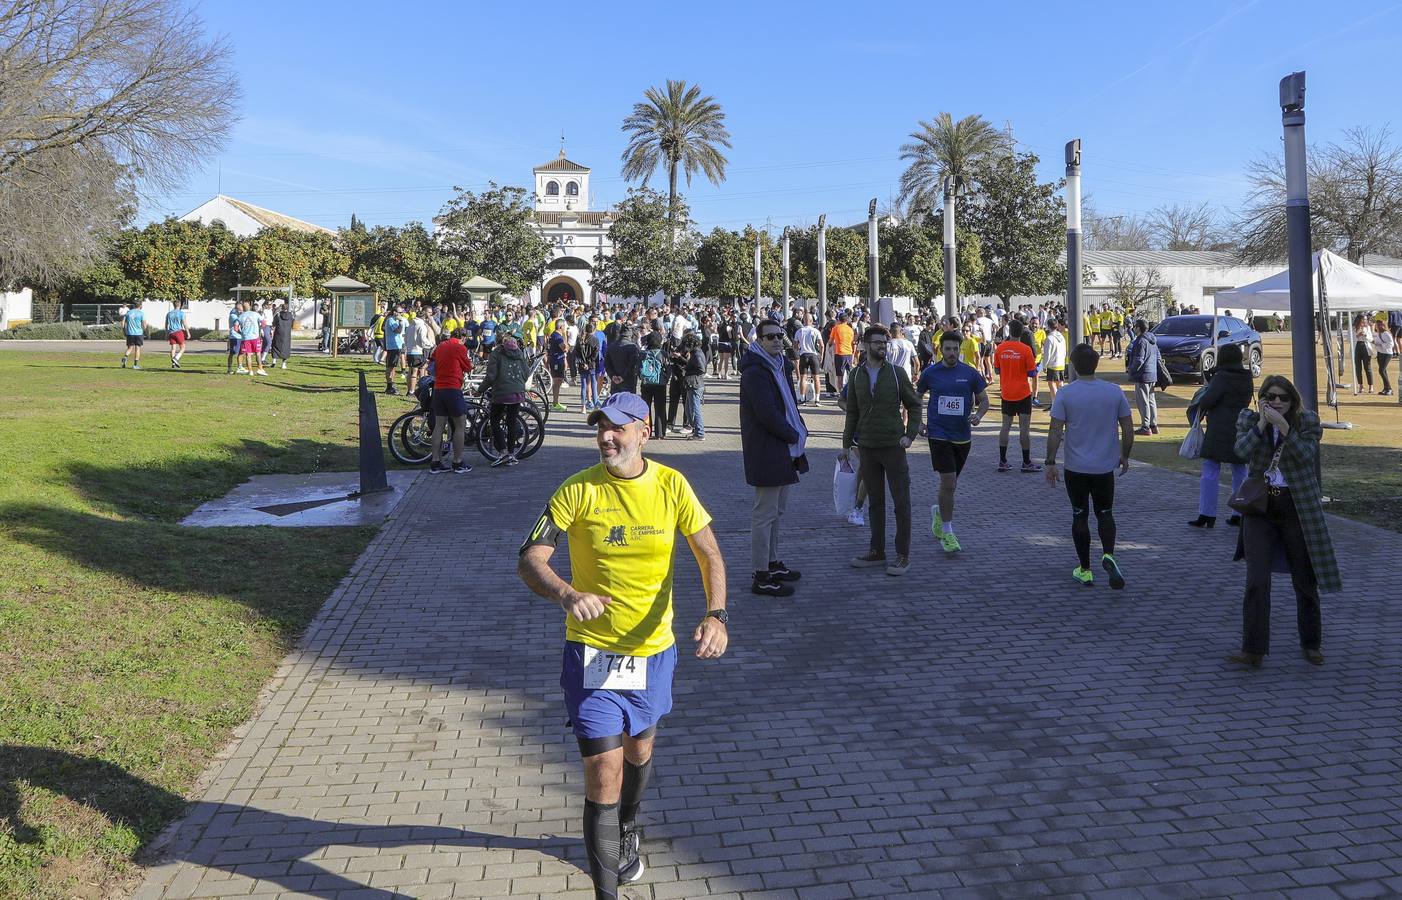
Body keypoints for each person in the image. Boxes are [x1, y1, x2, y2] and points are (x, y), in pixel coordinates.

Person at [517, 392, 728, 898]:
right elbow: (530, 558)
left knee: (639, 748)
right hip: (592, 655)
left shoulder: (673, 485)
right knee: (602, 769)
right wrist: (567, 593)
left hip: (653, 652)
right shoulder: (576, 490)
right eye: (600, 427)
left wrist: (716, 615)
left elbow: (709, 555)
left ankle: (627, 827)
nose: (606, 437)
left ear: (643, 431)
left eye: (617, 427)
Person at [1229, 375, 1341, 668]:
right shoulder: (1249, 420)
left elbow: (1305, 456)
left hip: (1296, 506)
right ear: (1261, 397)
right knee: (1256, 580)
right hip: (1260, 506)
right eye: (1270, 396)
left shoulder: (1307, 422)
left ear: (1293, 400)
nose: (1276, 401)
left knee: (1305, 579)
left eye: (1282, 397)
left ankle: (1311, 643)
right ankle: (1253, 649)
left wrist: (1284, 428)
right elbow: (1240, 452)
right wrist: (1263, 425)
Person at [1044, 344, 1134, 588]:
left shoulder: (1065, 393)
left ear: (1073, 365)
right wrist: (1125, 454)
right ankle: (1108, 554)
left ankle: (1085, 569)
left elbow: (1055, 429)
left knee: (1079, 514)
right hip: (1105, 466)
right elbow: (1127, 425)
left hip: (1076, 467)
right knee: (1105, 512)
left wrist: (1050, 461)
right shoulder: (1114, 391)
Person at [840, 324, 921, 577]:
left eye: (884, 343)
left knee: (901, 503)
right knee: (875, 502)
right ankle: (877, 551)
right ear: (865, 345)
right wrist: (845, 444)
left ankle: (902, 555)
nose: (882, 347)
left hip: (893, 446)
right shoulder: (855, 375)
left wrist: (910, 435)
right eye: (877, 343)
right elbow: (851, 411)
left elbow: (915, 405)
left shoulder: (897, 374)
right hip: (867, 446)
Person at [740, 319, 810, 597]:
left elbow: (790, 404)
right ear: (759, 340)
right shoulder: (756, 371)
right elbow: (766, 412)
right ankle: (761, 574)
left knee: (776, 512)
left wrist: (799, 429)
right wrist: (792, 434)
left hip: (783, 448)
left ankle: (772, 561)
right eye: (771, 337)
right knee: (764, 513)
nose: (778, 341)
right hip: (768, 448)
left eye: (780, 336)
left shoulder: (780, 366)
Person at [917, 331, 990, 553]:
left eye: (955, 349)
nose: (952, 353)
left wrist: (978, 415)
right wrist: (918, 422)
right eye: (948, 349)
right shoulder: (931, 373)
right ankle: (948, 533)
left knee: (950, 485)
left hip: (962, 437)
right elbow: (916, 397)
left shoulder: (970, 373)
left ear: (960, 350)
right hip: (938, 434)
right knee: (948, 482)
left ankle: (939, 512)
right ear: (940, 350)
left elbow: (984, 400)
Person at [1187, 343, 1253, 529]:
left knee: (1210, 470)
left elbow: (1208, 400)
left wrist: (1210, 382)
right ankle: (1239, 513)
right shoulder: (1246, 376)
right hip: (1241, 426)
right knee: (1240, 471)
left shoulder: (1221, 377)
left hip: (1219, 427)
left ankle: (1207, 513)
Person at [477, 325, 530, 467]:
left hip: (501, 392)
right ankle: (512, 454)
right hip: (517, 392)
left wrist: (481, 389)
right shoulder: (519, 353)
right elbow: (526, 372)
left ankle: (502, 451)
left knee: (494, 420)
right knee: (511, 423)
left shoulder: (496, 353)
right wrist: (519, 383)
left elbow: (491, 376)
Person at [993, 320, 1040, 473]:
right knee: (1024, 429)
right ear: (1022, 333)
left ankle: (1002, 460)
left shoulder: (1000, 349)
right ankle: (1026, 462)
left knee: (1005, 427)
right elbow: (1032, 373)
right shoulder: (1026, 350)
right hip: (1023, 393)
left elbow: (997, 370)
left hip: (1006, 392)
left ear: (1009, 332)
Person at [427, 328, 473, 475]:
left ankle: (435, 461)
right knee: (460, 425)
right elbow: (468, 366)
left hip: (438, 388)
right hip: (452, 388)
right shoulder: (460, 347)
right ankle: (457, 462)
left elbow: (432, 359)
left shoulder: (440, 346)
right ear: (463, 338)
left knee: (439, 426)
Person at [1125, 319, 1161, 435]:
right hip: (1152, 374)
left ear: (1138, 328)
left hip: (1142, 375)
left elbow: (1139, 360)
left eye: (1134, 326)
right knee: (1151, 400)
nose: (1133, 328)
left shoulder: (1140, 341)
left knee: (1143, 401)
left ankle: (1145, 427)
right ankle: (1153, 424)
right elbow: (1158, 357)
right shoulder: (1152, 340)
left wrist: (1131, 370)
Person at [638, 326, 668, 438]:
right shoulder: (663, 354)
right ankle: (660, 433)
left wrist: (642, 378)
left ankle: (647, 431)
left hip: (646, 383)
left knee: (646, 408)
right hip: (660, 384)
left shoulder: (643, 354)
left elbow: (638, 368)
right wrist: (666, 379)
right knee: (660, 408)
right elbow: (668, 369)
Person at [681, 331, 707, 441]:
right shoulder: (696, 353)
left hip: (695, 384)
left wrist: (688, 369)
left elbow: (701, 369)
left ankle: (700, 433)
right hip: (693, 383)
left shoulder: (697, 354)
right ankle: (696, 430)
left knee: (695, 410)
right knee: (689, 409)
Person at [795, 313, 824, 405]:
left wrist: (799, 348)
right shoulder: (816, 331)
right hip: (813, 355)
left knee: (803, 378)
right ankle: (817, 400)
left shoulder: (799, 331)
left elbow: (794, 345)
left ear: (803, 320)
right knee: (816, 378)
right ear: (811, 321)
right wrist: (821, 355)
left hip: (803, 355)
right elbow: (822, 345)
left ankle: (803, 399)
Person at [605, 326, 642, 395]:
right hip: (629, 381)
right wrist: (622, 377)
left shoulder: (611, 346)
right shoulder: (632, 347)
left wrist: (612, 375)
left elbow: (607, 364)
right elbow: (632, 365)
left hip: (615, 381)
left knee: (616, 402)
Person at [381, 305, 405, 394]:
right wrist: (401, 321)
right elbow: (398, 331)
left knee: (393, 367)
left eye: (402, 312)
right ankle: (389, 386)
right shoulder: (391, 320)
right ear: (395, 312)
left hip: (396, 345)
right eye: (400, 312)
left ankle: (391, 384)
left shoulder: (394, 320)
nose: (401, 314)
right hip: (392, 346)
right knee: (390, 367)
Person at [239, 302, 267, 376]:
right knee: (258, 353)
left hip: (245, 337)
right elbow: (264, 322)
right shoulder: (255, 314)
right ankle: (260, 369)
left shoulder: (241, 316)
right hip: (255, 336)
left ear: (243, 308)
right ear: (250, 306)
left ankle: (250, 371)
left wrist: (241, 333)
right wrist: (260, 328)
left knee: (248, 354)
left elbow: (236, 327)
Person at [1042, 318, 1067, 402]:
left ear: (1049, 326)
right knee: (1060, 383)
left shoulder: (1049, 338)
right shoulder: (1061, 336)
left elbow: (1047, 354)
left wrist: (1044, 365)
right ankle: (1063, 401)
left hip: (1052, 364)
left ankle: (1055, 402)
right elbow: (1064, 351)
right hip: (1061, 363)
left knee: (1052, 384)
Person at [829, 310, 855, 390]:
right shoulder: (851, 330)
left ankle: (840, 392)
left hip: (839, 353)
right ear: (846, 320)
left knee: (840, 375)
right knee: (849, 374)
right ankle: (850, 391)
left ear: (839, 320)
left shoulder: (836, 328)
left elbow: (830, 341)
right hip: (849, 353)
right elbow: (852, 342)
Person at [547, 319, 569, 411]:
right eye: (565, 326)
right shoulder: (558, 337)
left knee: (558, 381)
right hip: (557, 361)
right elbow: (565, 349)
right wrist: (566, 340)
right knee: (557, 381)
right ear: (561, 327)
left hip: (555, 360)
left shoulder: (553, 335)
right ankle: (555, 403)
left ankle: (555, 402)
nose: (565, 329)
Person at [1352, 313, 1375, 394]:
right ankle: (1361, 386)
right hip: (1356, 347)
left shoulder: (1368, 327)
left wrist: (1365, 336)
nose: (1365, 321)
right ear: (1359, 320)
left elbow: (1371, 339)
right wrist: (1357, 335)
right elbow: (1349, 339)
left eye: (1366, 319)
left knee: (1367, 367)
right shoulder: (1353, 328)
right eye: (1363, 319)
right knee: (1358, 368)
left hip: (1365, 347)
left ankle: (1371, 386)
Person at [121, 299, 145, 369]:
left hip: (130, 333)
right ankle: (135, 365)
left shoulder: (128, 313)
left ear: (133, 305)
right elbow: (144, 324)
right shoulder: (141, 313)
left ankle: (125, 357)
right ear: (140, 305)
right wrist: (144, 330)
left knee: (130, 348)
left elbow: (122, 323)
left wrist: (124, 331)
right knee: (137, 348)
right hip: (138, 333)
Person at [269, 302, 293, 370]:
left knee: (276, 346)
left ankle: (274, 361)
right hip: (287, 334)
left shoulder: (278, 315)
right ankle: (283, 364)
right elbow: (292, 323)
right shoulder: (291, 315)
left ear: (281, 308)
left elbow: (274, 323)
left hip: (278, 333)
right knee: (285, 348)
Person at [1374, 319, 1396, 396]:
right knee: (1384, 371)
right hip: (1380, 353)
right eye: (1376, 325)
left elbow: (1391, 344)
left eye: (1378, 325)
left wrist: (1381, 345)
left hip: (1387, 354)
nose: (1377, 326)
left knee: (1381, 371)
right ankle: (1385, 388)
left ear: (1383, 325)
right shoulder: (1378, 333)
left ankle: (1389, 389)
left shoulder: (1386, 333)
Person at [165, 300, 188, 369]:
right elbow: (184, 323)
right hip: (178, 331)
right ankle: (176, 358)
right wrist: (188, 332)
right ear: (180, 305)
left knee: (173, 348)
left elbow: (166, 324)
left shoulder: (169, 314)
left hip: (171, 332)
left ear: (173, 305)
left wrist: (166, 333)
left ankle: (173, 364)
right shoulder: (181, 313)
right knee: (183, 348)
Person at [226, 301, 244, 374]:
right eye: (239, 307)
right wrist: (242, 313)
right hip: (234, 336)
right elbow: (239, 321)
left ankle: (240, 366)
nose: (241, 309)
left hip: (240, 336)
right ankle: (229, 368)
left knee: (241, 352)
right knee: (232, 353)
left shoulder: (239, 313)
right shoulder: (233, 315)